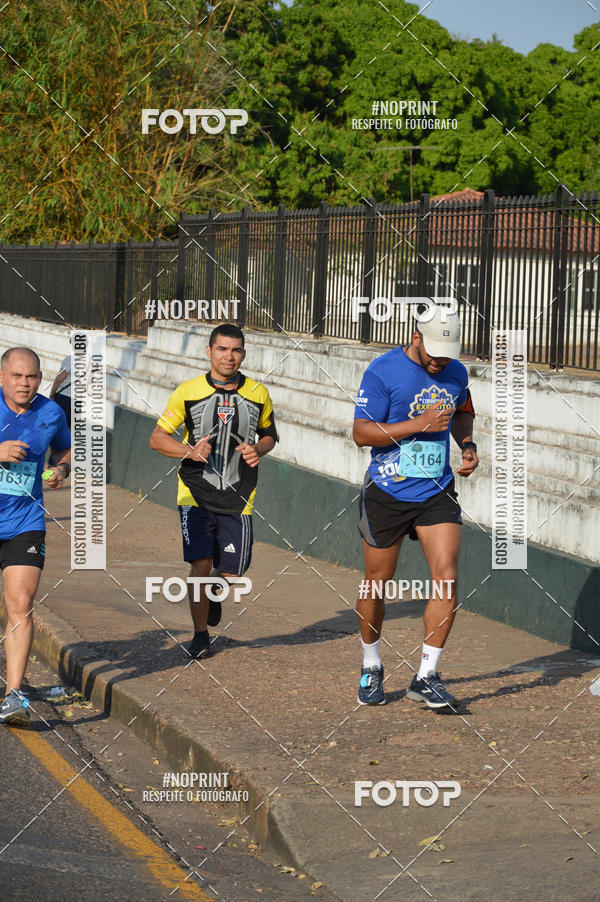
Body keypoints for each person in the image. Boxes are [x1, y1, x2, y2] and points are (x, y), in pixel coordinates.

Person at [352, 308, 478, 707]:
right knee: (377, 582)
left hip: (435, 490)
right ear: (416, 336)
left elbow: (461, 411)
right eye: (435, 350)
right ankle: (371, 664)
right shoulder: (383, 371)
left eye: (448, 352)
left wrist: (468, 445)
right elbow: (361, 433)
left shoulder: (456, 372)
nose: (441, 360)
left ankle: (426, 675)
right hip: (388, 490)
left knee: (446, 577)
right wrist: (417, 425)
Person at [149, 323, 278, 659]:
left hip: (239, 495)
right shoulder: (187, 392)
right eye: (222, 349)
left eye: (235, 350)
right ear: (209, 352)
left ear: (244, 354)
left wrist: (258, 450)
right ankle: (200, 634)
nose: (228, 356)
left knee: (235, 569)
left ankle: (216, 592)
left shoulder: (258, 393)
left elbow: (269, 435)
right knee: (201, 565)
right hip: (195, 494)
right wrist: (188, 451)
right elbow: (158, 438)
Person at [0, 347, 71, 724]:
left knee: (21, 602)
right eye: (17, 376)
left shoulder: (51, 412)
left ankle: (14, 696)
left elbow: (66, 449)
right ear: (2, 376)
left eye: (31, 377)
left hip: (24, 521)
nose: (25, 383)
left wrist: (60, 470)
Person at [49, 344, 72, 428]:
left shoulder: (70, 359)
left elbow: (59, 378)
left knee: (56, 425)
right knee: (69, 426)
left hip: (63, 396)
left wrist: (52, 394)